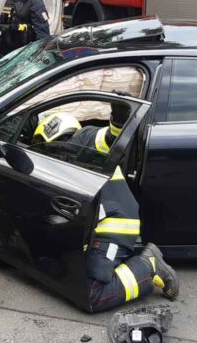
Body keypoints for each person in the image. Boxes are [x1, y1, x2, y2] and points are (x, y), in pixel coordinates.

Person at [32, 109, 180, 312]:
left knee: (93, 294)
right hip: (102, 223)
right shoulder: (67, 156)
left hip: (114, 226)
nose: (48, 152)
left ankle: (149, 264)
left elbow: (107, 139)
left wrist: (118, 120)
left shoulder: (81, 139)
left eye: (46, 146)